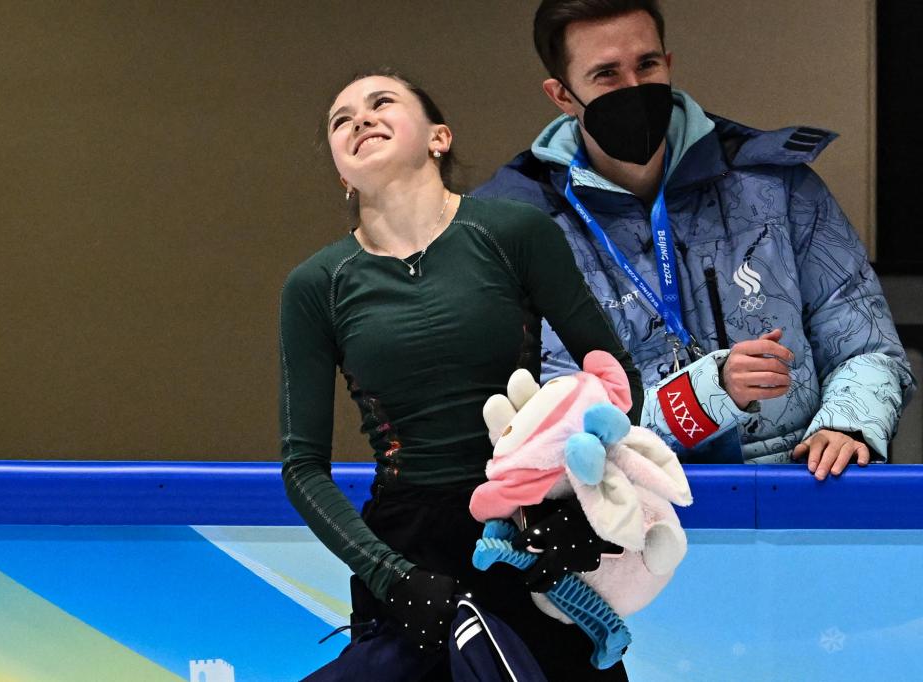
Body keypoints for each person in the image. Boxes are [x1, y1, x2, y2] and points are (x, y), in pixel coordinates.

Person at [279, 68, 642, 680]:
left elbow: (613, 382)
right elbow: (303, 468)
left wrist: (574, 504)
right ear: (343, 174)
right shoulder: (316, 286)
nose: (359, 120)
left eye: (381, 103)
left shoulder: (514, 233)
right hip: (408, 552)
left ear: (438, 138)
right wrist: (392, 578)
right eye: (342, 120)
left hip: (529, 530)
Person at [474, 0, 916, 479]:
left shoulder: (777, 185)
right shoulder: (526, 226)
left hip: (800, 482)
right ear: (562, 95)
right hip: (630, 505)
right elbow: (548, 415)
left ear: (668, 63)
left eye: (646, 65)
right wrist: (707, 393)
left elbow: (865, 343)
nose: (634, 88)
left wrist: (848, 427)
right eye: (606, 75)